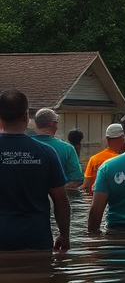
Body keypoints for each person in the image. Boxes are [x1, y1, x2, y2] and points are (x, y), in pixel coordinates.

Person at [0, 91, 71, 252]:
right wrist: (64, 235)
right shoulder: (46, 152)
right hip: (35, 237)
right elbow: (60, 200)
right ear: (26, 116)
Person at [32, 108, 84, 190]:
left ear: (36, 125)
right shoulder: (67, 148)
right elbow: (76, 179)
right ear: (54, 124)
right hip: (58, 196)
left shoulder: (23, 145)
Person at [83, 123, 125, 194]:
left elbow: (86, 186)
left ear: (107, 139)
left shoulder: (94, 159)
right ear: (123, 138)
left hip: (97, 198)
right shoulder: (123, 160)